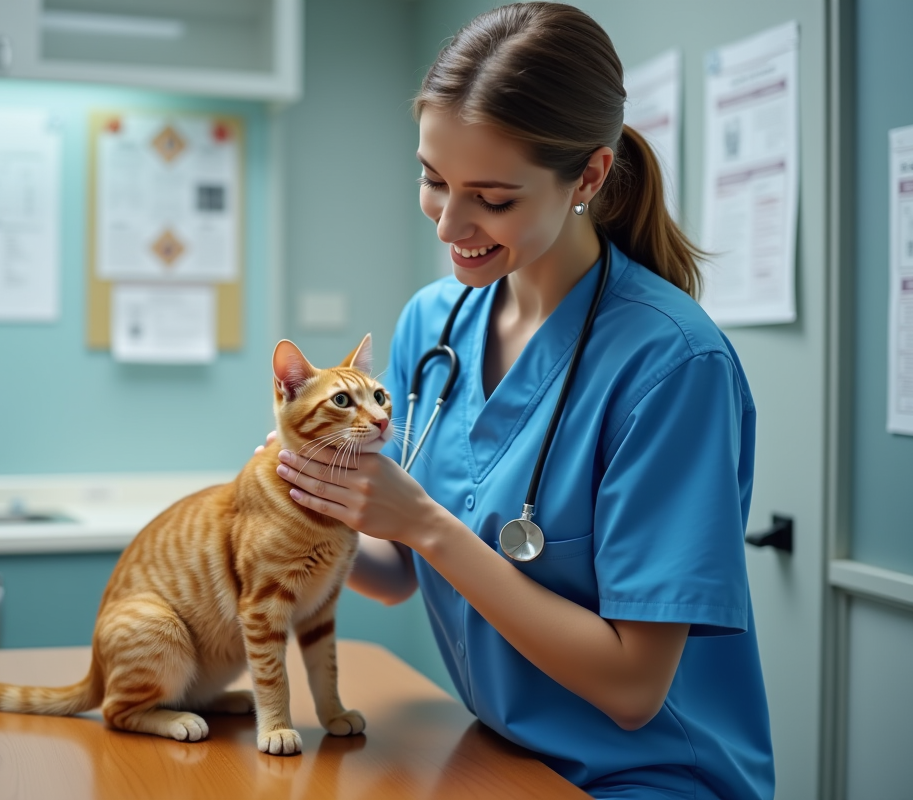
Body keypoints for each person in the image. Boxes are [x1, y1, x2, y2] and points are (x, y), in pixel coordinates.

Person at [269, 3, 775, 798]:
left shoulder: (672, 366)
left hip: (646, 778)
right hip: (500, 751)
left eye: (493, 198)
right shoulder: (432, 323)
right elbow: (400, 569)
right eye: (434, 180)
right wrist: (312, 501)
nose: (451, 223)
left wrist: (425, 524)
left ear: (590, 176)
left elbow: (633, 688)